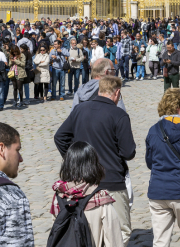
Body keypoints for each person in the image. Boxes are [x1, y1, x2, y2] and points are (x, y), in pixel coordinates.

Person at [55, 76, 136, 244]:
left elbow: (60, 137)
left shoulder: (80, 109)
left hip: (83, 182)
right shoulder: (119, 115)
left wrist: (76, 160)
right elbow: (128, 152)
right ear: (117, 93)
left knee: (89, 231)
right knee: (120, 231)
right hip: (112, 181)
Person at [144, 88, 180, 247]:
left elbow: (150, 163)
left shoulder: (153, 130)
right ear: (177, 106)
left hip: (158, 192)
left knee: (160, 242)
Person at [49, 141, 123, 247]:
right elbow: (114, 241)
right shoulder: (101, 199)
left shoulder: (59, 197)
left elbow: (55, 230)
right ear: (93, 165)